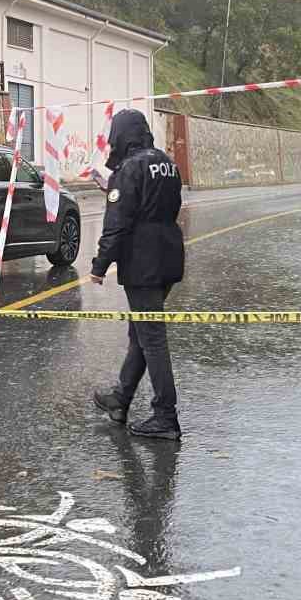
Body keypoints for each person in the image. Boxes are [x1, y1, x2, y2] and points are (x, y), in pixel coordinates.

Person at [89, 109, 185, 440]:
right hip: (168, 256)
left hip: (142, 263)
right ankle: (121, 398)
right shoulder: (167, 163)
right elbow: (160, 205)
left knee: (152, 338)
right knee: (141, 333)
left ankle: (165, 416)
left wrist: (99, 266)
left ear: (121, 135)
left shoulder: (127, 169)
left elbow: (118, 222)